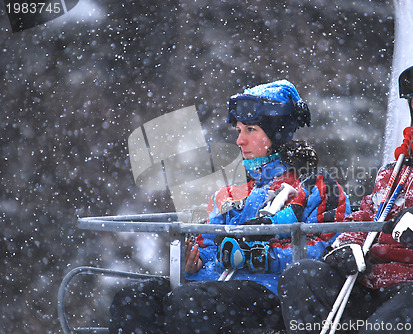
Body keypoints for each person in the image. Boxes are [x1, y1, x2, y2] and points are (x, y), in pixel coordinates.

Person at [278, 49, 413, 334]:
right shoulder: (401, 167)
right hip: (377, 284)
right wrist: (346, 244)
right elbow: (368, 215)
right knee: (302, 276)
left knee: (406, 308)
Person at [109, 79, 351, 333]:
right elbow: (208, 246)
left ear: (276, 133)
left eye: (250, 130)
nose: (239, 141)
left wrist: (263, 258)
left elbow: (326, 252)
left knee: (190, 303)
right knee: (133, 299)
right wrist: (196, 262)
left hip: (273, 294)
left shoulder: (316, 186)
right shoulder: (230, 192)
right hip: (217, 286)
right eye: (238, 131)